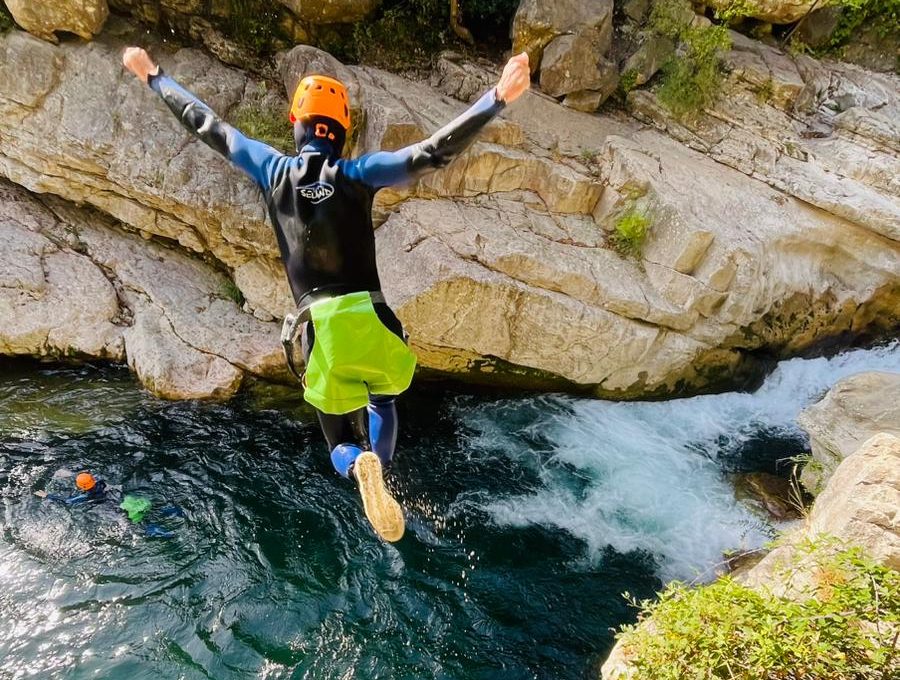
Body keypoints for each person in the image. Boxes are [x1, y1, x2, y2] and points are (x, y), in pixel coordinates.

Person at [122, 45, 530, 542]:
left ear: (296, 122)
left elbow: (208, 125)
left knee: (336, 434)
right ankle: (381, 465)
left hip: (319, 329)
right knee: (383, 402)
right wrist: (496, 98)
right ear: (343, 132)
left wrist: (154, 76)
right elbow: (429, 154)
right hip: (374, 320)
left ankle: (357, 463)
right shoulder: (358, 175)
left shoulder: (272, 170)